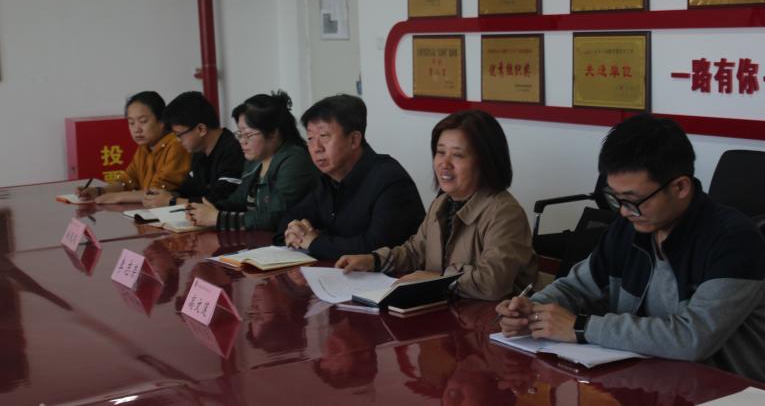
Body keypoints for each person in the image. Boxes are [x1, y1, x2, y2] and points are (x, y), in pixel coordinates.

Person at [495, 113, 765, 382]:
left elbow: (693, 338)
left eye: (633, 200)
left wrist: (580, 327)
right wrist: (532, 309)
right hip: (648, 379)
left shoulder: (734, 240)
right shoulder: (630, 227)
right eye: (615, 198)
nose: (624, 211)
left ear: (680, 187)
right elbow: (577, 287)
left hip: (725, 389)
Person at [336, 110, 537, 301]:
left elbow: (492, 282)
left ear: (485, 162)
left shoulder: (505, 213)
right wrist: (373, 261)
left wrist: (436, 279)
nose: (444, 163)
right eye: (440, 152)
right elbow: (415, 252)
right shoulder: (442, 202)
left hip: (490, 319)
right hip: (447, 310)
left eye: (457, 155)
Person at [276, 94, 425, 260]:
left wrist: (314, 242)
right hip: (338, 272)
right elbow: (290, 216)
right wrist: (295, 231)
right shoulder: (328, 178)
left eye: (324, 136)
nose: (316, 147)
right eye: (310, 138)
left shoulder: (390, 179)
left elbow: (377, 247)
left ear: (354, 140)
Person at [187, 91, 318, 231]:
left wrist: (218, 218)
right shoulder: (256, 160)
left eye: (248, 134)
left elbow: (276, 216)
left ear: (273, 132)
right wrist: (209, 210)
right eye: (240, 134)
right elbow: (238, 200)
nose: (242, 141)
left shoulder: (295, 160)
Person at [78, 91, 191, 203]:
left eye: (143, 121)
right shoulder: (145, 147)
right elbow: (127, 181)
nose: (137, 129)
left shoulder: (177, 144)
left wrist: (117, 197)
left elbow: (156, 193)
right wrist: (99, 191)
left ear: (162, 121)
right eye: (131, 123)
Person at [143, 91, 244, 208]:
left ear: (201, 129)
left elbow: (218, 200)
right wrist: (164, 196)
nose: (178, 140)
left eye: (179, 135)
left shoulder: (234, 150)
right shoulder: (199, 152)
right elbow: (188, 191)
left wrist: (172, 201)